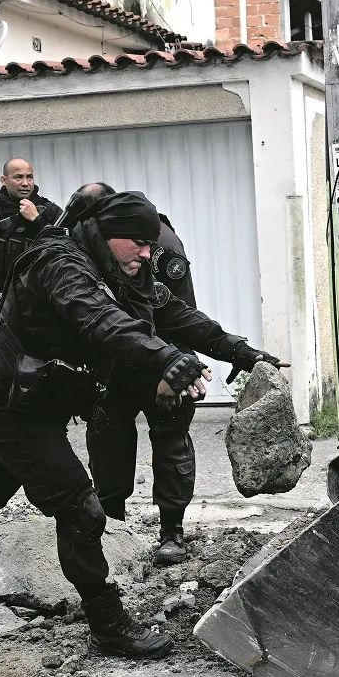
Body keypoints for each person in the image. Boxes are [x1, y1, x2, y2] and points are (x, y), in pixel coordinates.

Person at [0, 188, 286, 661]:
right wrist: (166, 359)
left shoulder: (123, 268)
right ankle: (108, 625)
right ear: (107, 235)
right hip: (8, 406)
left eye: (151, 246)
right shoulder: (60, 264)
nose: (148, 254)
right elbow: (100, 319)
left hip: (35, 403)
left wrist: (240, 351)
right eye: (139, 244)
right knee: (81, 508)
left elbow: (177, 316)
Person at [89, 209, 201, 567]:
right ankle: (112, 529)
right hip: (113, 362)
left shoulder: (161, 249)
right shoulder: (89, 246)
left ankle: (172, 532)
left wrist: (175, 372)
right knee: (107, 443)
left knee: (171, 440)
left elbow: (181, 317)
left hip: (162, 361)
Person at [0, 158, 64, 306]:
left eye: (29, 177)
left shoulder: (49, 210)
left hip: (40, 297)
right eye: (18, 177)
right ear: (4, 180)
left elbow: (66, 245)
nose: (25, 183)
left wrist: (36, 219)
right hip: (0, 295)